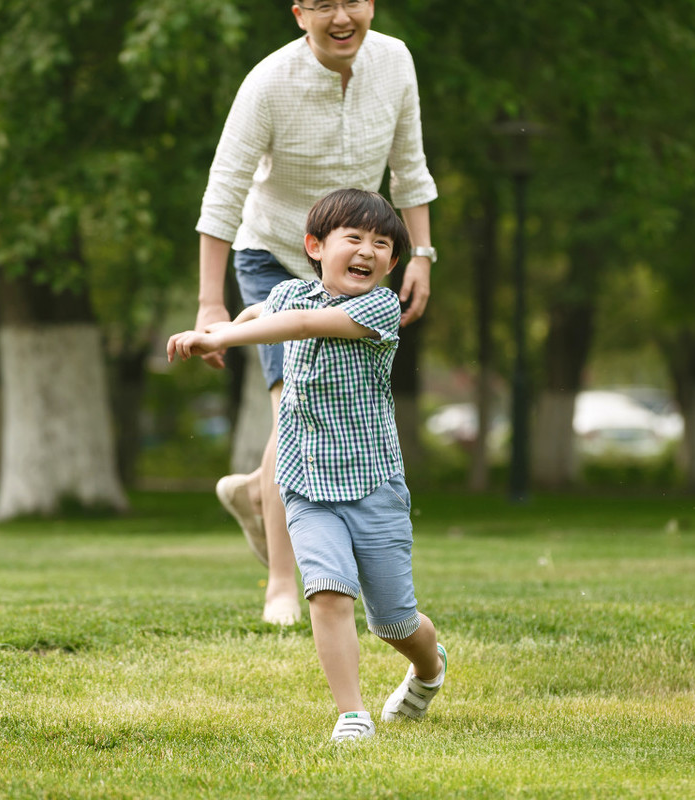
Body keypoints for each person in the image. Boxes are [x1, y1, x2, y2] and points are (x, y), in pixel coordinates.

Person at [169, 188, 446, 743]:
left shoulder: (379, 308)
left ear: (392, 263)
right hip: (305, 483)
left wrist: (224, 334)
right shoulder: (291, 292)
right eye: (354, 238)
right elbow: (265, 310)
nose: (367, 250)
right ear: (315, 246)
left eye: (382, 244)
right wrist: (213, 332)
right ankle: (352, 714)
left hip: (373, 488)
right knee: (326, 592)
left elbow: (298, 326)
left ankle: (429, 666)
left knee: (391, 619)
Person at [194, 0, 438, 625]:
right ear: (299, 12)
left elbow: (409, 167)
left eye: (351, 0)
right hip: (274, 253)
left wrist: (423, 255)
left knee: (303, 419)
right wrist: (211, 304)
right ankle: (281, 581)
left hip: (353, 258)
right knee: (291, 411)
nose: (341, 16)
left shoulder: (396, 60)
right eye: (323, 3)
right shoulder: (269, 81)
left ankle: (256, 491)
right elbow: (224, 190)